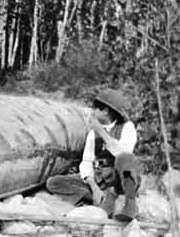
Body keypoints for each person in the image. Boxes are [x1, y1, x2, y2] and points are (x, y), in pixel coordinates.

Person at [46, 89, 141, 221]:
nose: (92, 112)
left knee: (125, 159)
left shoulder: (127, 127)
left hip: (119, 178)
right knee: (54, 183)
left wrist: (101, 132)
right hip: (99, 179)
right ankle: (100, 198)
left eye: (95, 109)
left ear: (105, 111)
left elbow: (123, 154)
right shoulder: (92, 133)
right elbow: (86, 161)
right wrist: (94, 187)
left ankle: (128, 203)